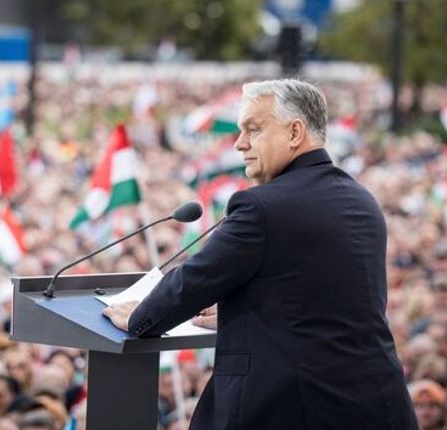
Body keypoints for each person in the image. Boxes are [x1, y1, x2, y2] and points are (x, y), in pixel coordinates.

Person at [104, 79, 418, 429]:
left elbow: (195, 281)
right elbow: (324, 301)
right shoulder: (362, 200)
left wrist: (138, 317)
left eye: (253, 129)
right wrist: (245, 313)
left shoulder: (261, 206)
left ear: (295, 132)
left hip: (291, 409)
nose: (239, 144)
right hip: (375, 403)